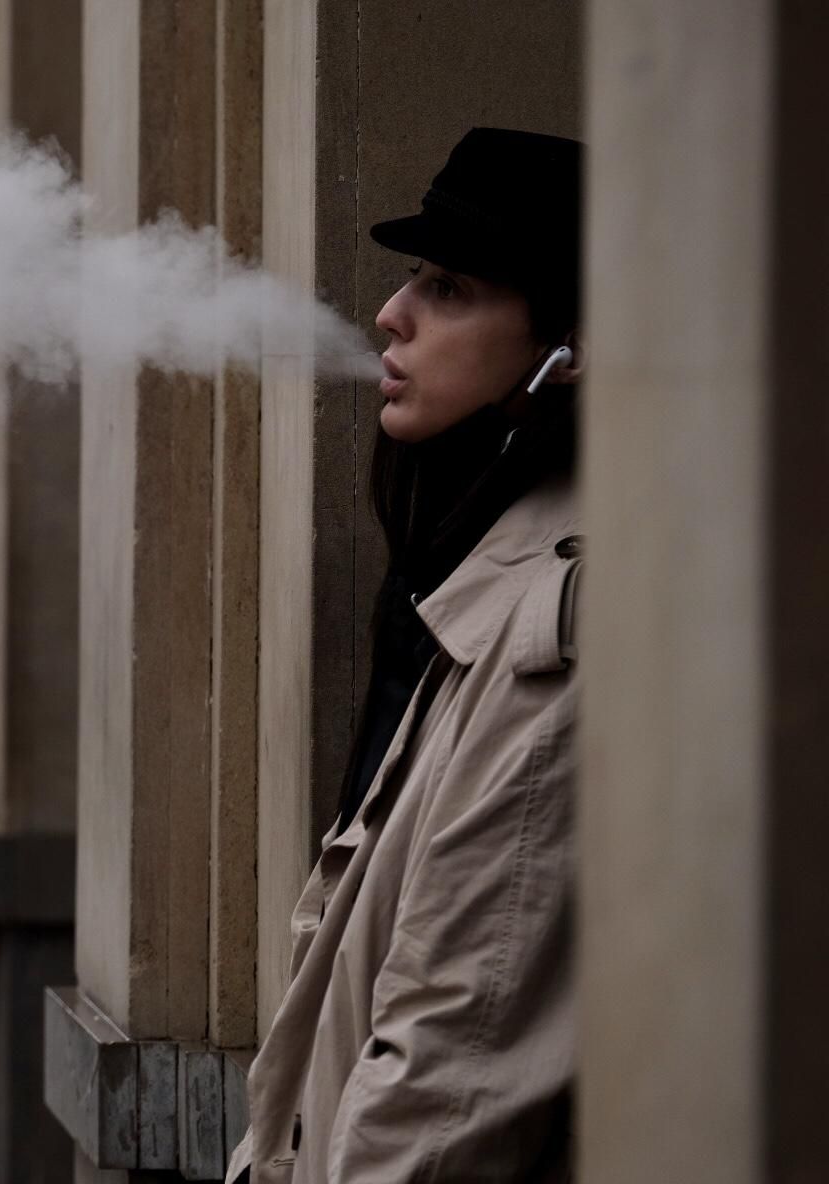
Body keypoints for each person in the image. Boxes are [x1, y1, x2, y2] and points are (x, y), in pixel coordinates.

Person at [227, 127, 586, 1183]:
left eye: (451, 286)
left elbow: (450, 1060)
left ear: (575, 346)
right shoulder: (476, 568)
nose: (391, 313)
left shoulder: (557, 621)